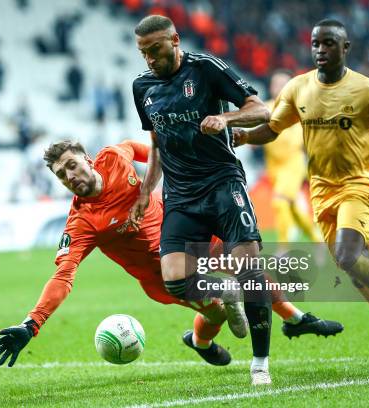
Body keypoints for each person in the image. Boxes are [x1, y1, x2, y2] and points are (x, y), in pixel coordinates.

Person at [0, 140, 342, 369]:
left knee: (252, 274)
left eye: (71, 165)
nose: (69, 175)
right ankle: (201, 340)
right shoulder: (82, 223)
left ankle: (297, 320)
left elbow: (145, 150)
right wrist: (31, 324)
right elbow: (63, 277)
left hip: (189, 236)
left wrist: (175, 163)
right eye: (61, 174)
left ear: (86, 158)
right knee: (219, 311)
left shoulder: (114, 157)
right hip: (166, 276)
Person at [233, 19, 369, 357]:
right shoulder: (298, 88)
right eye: (315, 44)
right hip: (321, 191)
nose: (320, 50)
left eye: (328, 44)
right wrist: (244, 136)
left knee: (348, 256)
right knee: (355, 272)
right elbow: (272, 128)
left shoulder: (366, 89)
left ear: (345, 48)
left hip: (359, 184)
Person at [129, 15, 273, 385]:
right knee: (174, 279)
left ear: (174, 40)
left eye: (155, 49)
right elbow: (158, 142)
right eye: (143, 52)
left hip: (223, 185)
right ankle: (224, 291)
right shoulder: (141, 87)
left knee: (251, 274)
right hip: (180, 195)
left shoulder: (206, 68)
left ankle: (260, 364)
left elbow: (262, 110)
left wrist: (226, 118)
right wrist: (147, 189)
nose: (149, 59)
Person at [263, 70, 321, 248]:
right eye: (276, 84)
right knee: (293, 207)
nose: (279, 87)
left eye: (283, 84)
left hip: (293, 163)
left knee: (280, 201)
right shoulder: (264, 107)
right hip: (273, 165)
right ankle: (318, 241)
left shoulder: (301, 108)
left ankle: (283, 248)